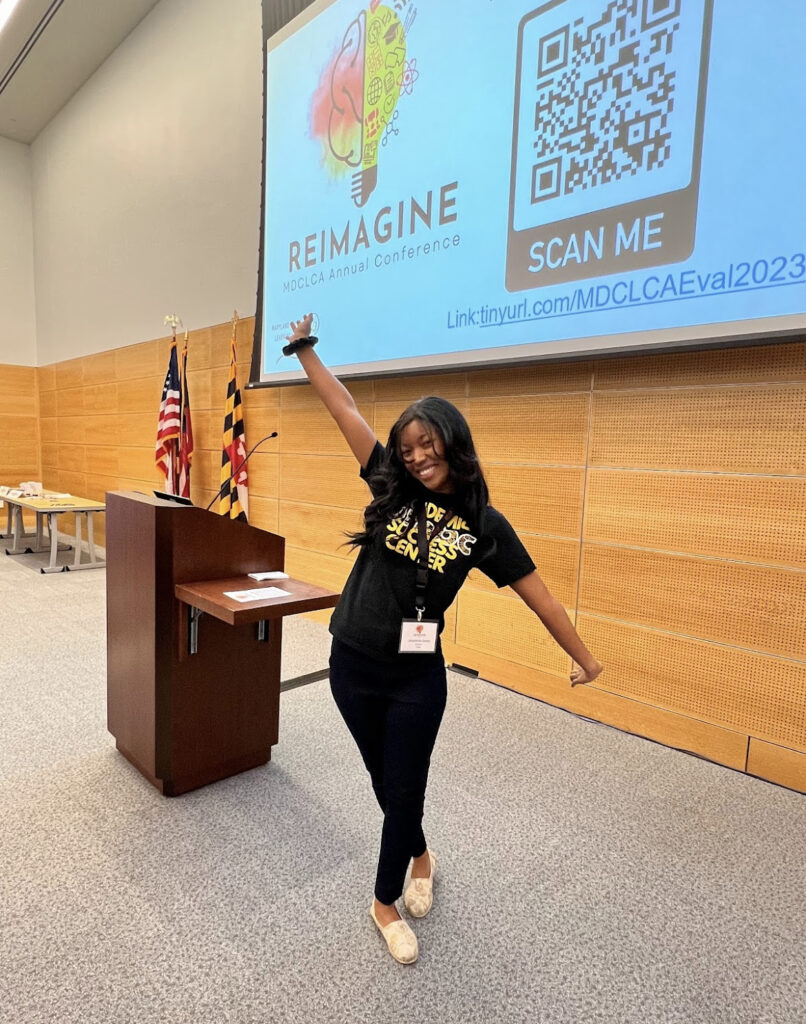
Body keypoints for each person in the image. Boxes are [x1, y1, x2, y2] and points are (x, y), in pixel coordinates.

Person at [284, 314, 603, 964]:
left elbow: (539, 595)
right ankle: (422, 855)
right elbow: (344, 408)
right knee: (384, 781)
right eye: (408, 448)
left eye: (427, 444)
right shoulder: (388, 487)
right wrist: (305, 351)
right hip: (351, 663)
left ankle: (383, 902)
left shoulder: (485, 524)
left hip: (415, 678)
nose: (417, 456)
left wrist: (585, 657)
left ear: (452, 442)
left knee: (404, 789)